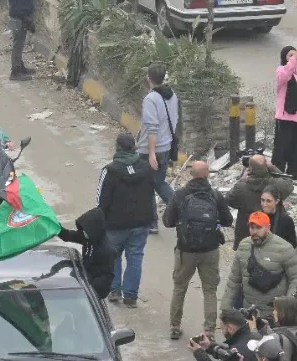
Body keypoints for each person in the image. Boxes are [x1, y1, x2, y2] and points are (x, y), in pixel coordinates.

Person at [165, 159, 233, 338]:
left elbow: (167, 221)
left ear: (191, 175)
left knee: (180, 288)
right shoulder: (215, 195)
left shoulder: (179, 194)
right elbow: (228, 220)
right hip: (210, 251)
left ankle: (175, 326)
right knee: (210, 290)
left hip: (185, 251)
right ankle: (209, 330)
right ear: (207, 175)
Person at [97, 133, 157, 306]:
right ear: (134, 148)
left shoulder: (109, 170)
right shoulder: (145, 168)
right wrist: (151, 219)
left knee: (113, 256)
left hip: (114, 225)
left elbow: (101, 199)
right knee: (135, 257)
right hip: (140, 223)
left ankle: (114, 289)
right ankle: (130, 296)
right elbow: (150, 195)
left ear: (118, 148)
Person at [221, 212, 297, 318]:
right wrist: (226, 309)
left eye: (258, 228)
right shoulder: (243, 246)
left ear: (268, 227)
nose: (254, 232)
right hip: (249, 313)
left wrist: (286, 307)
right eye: (251, 227)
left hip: (274, 315)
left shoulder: (284, 248)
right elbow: (234, 281)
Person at [138, 63, 178, 219]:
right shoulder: (172, 95)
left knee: (147, 185)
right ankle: (179, 208)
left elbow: (152, 128)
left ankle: (154, 220)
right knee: (158, 182)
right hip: (166, 146)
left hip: (150, 149)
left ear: (149, 79)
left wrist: (151, 153)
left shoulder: (151, 99)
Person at [230, 154, 294, 246]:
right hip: (270, 234)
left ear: (250, 168)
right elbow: (289, 183)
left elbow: (229, 200)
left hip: (246, 234)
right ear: (265, 167)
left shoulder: (241, 187)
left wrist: (242, 179)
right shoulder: (276, 185)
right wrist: (272, 167)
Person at [272, 47, 297, 178]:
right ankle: (277, 173)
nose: (293, 57)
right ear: (285, 57)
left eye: (294, 54)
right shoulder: (281, 70)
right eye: (290, 55)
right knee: (282, 148)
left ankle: (293, 174)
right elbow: (284, 76)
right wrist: (294, 59)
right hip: (285, 117)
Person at [58, 208, 116, 299]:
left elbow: (106, 278)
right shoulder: (88, 238)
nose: (83, 232)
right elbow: (68, 235)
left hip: (93, 292)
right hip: (83, 280)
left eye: (86, 230)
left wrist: (87, 288)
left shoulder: (106, 251)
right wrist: (57, 228)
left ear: (93, 230)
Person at [7, 0, 41, 80]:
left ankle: (20, 67)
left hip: (19, 12)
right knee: (18, 44)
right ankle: (15, 72)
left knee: (20, 42)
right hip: (20, 14)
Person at [190, 309, 263, 361]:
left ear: (230, 328)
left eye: (222, 328)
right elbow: (226, 354)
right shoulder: (255, 335)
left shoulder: (237, 352)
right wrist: (209, 346)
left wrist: (199, 353)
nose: (222, 331)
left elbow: (231, 353)